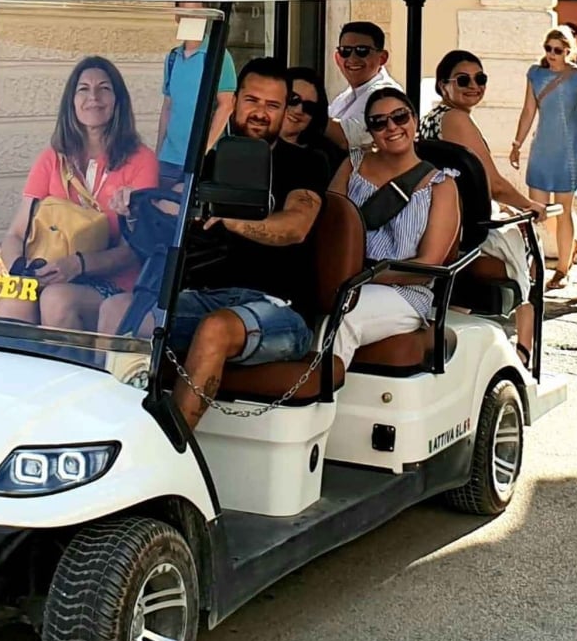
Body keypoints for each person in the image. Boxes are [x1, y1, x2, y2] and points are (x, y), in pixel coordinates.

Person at [161, 58, 331, 430]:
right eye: (252, 101)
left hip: (279, 310)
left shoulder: (305, 163)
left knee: (215, 328)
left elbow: (296, 226)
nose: (260, 113)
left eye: (273, 106)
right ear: (235, 101)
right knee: (131, 313)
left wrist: (233, 220)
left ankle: (173, 450)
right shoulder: (207, 158)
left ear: (286, 111)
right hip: (202, 294)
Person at [0, 57, 159, 331]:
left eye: (104, 88)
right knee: (15, 298)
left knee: (57, 299)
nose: (93, 97)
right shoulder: (51, 159)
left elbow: (135, 251)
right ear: (71, 101)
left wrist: (78, 265)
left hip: (115, 282)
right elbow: (14, 235)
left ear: (118, 100)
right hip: (51, 272)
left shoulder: (141, 160)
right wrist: (21, 272)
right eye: (83, 89)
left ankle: (76, 373)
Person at [421, 50, 541, 364]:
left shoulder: (431, 119)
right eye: (463, 79)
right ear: (443, 86)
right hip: (470, 232)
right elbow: (493, 184)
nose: (474, 85)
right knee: (530, 253)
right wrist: (530, 205)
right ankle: (524, 353)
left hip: (445, 226)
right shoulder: (456, 119)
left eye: (480, 78)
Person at [328, 89, 461, 367]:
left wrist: (361, 277)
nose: (391, 127)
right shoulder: (352, 165)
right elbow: (330, 226)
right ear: (371, 131)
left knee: (344, 316)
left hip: (403, 291)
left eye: (399, 117)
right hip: (341, 280)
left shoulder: (441, 185)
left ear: (413, 120)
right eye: (379, 122)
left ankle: (320, 400)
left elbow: (429, 263)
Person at [511, 26, 577, 291]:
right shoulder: (535, 75)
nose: (551, 55)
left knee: (564, 212)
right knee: (536, 212)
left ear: (568, 52)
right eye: (548, 49)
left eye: (557, 50)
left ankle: (562, 268)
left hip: (568, 151)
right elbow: (528, 111)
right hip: (542, 149)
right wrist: (517, 143)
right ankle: (534, 264)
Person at [157, 1, 237, 184]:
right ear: (177, 16)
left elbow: (226, 105)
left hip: (200, 161)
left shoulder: (218, 56)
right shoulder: (172, 58)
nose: (190, 17)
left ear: (206, 16)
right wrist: (159, 150)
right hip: (169, 158)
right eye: (185, 12)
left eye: (196, 12)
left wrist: (205, 148)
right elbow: (168, 107)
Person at [326, 21, 402, 151]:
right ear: (338, 58)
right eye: (346, 51)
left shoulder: (386, 94)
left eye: (362, 51)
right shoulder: (346, 95)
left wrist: (306, 113)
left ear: (382, 58)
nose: (353, 58)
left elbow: (347, 139)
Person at [281, 66, 346, 175]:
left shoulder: (321, 159)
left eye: (309, 107)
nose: (299, 110)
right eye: (293, 99)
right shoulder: (251, 144)